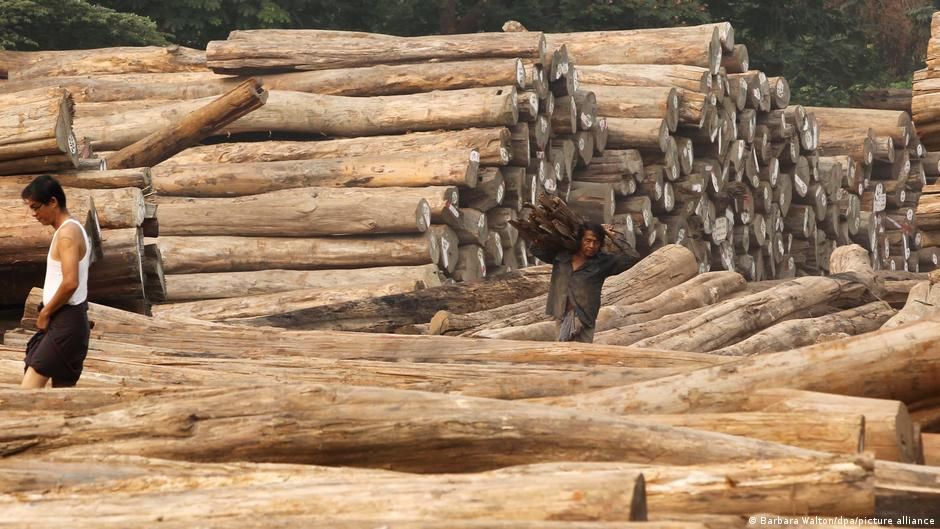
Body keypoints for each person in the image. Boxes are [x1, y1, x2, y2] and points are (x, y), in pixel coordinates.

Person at [20, 174, 91, 389]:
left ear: (53, 202)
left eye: (36, 207)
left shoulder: (67, 234)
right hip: (68, 321)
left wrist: (45, 312)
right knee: (62, 398)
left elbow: (71, 282)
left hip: (66, 322)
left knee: (28, 390)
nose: (34, 214)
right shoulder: (69, 229)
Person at [530, 222, 639, 343]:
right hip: (561, 315)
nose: (591, 245)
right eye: (588, 240)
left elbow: (632, 257)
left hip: (584, 319)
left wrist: (612, 236)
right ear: (580, 240)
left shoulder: (603, 262)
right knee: (562, 355)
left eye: (596, 242)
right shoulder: (562, 256)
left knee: (581, 357)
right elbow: (536, 249)